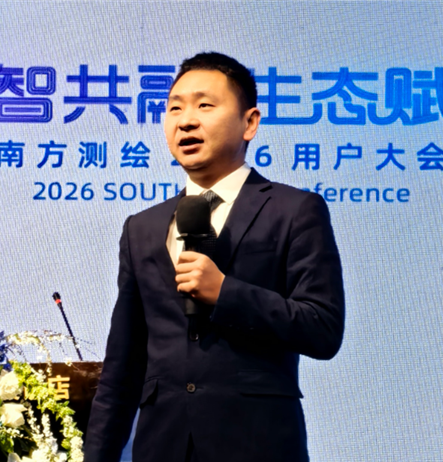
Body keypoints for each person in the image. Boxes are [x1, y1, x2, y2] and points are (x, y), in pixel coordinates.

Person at [84, 52, 345, 462]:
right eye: (175, 108)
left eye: (205, 105)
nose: (186, 121)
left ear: (250, 123)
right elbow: (123, 367)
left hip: (259, 447)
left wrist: (226, 293)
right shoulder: (142, 228)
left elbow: (323, 328)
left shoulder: (294, 210)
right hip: (162, 448)